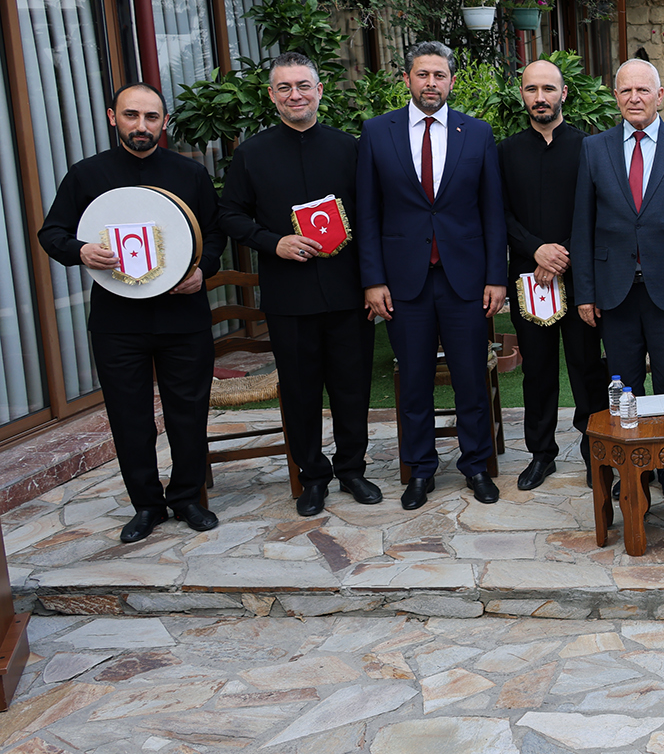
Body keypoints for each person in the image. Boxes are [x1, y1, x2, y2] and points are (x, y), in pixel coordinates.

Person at [38, 84, 224, 543]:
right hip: (117, 322)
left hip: (183, 317)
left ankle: (187, 498)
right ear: (112, 117)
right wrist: (80, 250)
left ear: (164, 122)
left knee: (188, 413)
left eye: (151, 117)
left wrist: (203, 270)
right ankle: (146, 505)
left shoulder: (190, 174)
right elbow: (52, 233)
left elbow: (216, 235)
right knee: (129, 418)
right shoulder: (86, 175)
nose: (141, 126)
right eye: (131, 115)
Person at [218, 52, 382, 516]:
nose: (295, 95)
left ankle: (352, 469)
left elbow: (372, 216)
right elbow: (229, 214)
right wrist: (273, 242)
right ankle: (312, 477)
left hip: (348, 292)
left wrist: (374, 282)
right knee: (300, 391)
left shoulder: (350, 148)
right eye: (285, 88)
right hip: (289, 295)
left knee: (352, 388)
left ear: (319, 91)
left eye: (303, 86)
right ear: (272, 96)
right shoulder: (251, 154)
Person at [357, 42, 507, 510]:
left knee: (470, 380)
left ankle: (476, 465)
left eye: (439, 75)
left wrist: (496, 277)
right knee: (415, 382)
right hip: (404, 283)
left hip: (466, 281)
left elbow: (492, 211)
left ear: (452, 82)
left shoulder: (477, 133)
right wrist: (372, 280)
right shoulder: (377, 132)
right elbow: (367, 213)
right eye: (422, 75)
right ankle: (420, 470)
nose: (430, 83)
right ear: (407, 79)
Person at [571, 59, 664, 497]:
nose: (635, 98)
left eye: (643, 90)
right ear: (616, 96)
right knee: (625, 387)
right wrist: (585, 293)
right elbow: (582, 226)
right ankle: (635, 472)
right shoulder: (594, 149)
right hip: (614, 293)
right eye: (626, 91)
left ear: (660, 96)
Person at [498, 59, 606, 490]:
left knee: (587, 369)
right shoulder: (505, 152)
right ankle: (541, 454)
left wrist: (562, 253)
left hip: (580, 280)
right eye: (531, 89)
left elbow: (598, 211)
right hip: (529, 282)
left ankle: (595, 452)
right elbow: (500, 213)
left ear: (564, 93)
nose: (540, 97)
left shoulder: (590, 148)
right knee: (538, 371)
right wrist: (536, 250)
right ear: (521, 94)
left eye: (548, 89)